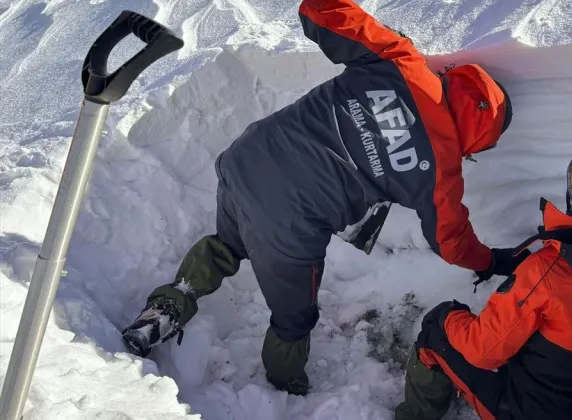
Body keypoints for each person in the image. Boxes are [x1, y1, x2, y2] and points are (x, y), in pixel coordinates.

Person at [120, 0, 518, 397]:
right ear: (477, 139)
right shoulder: (441, 172)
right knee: (295, 318)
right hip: (290, 220)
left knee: (229, 242)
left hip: (247, 160)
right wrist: (493, 260)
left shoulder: (401, 62)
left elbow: (320, 11)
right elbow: (452, 243)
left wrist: (390, 39)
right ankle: (283, 389)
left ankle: (171, 302)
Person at [395, 142, 572, 420]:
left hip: (526, 411)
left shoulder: (545, 274)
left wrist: (450, 316)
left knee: (435, 330)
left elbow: (482, 351)